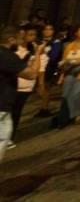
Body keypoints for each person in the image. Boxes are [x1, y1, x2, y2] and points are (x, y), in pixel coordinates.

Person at [1, 25, 40, 162]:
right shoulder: (7, 56)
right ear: (11, 40)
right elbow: (31, 74)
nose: (20, 42)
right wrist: (37, 54)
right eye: (18, 39)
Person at [11, 24, 46, 144]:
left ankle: (10, 136)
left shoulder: (34, 51)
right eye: (30, 34)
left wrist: (41, 85)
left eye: (34, 35)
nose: (32, 37)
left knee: (16, 111)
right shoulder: (12, 48)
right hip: (10, 84)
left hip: (24, 85)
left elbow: (39, 69)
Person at [35, 23, 63, 117]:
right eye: (45, 29)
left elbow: (54, 56)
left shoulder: (56, 42)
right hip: (36, 66)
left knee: (45, 88)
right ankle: (43, 107)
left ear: (53, 31)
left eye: (50, 29)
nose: (47, 31)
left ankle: (44, 108)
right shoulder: (38, 40)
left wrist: (43, 52)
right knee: (39, 88)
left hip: (49, 68)